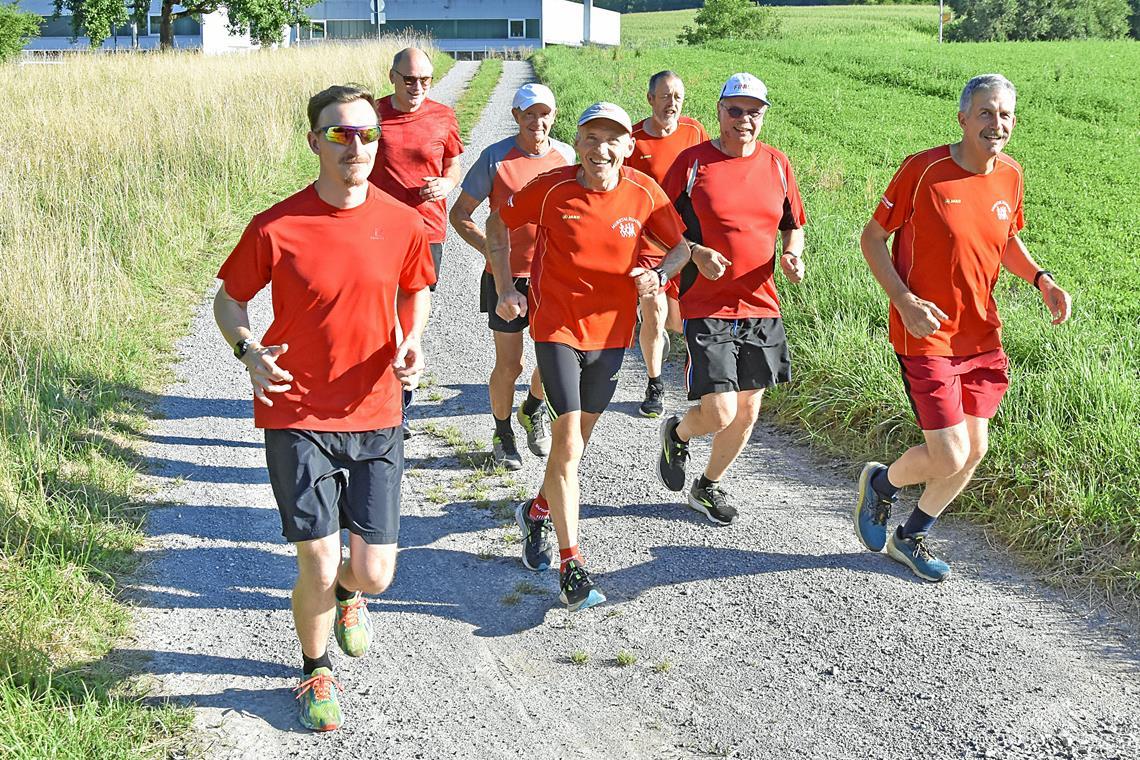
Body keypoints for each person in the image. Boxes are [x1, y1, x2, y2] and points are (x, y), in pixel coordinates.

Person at [213, 85, 435, 731]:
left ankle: (348, 596)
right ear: (315, 141)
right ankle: (314, 670)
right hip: (298, 411)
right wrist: (248, 351)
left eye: (366, 134)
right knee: (315, 554)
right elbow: (229, 302)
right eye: (340, 134)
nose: (355, 146)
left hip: (377, 410)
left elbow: (415, 291)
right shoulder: (276, 225)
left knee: (374, 573)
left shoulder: (403, 222)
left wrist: (413, 338)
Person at [853, 73, 1072, 582]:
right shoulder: (924, 170)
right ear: (963, 118)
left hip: (980, 335)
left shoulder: (1011, 175)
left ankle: (910, 536)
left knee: (975, 450)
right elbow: (871, 239)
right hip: (924, 332)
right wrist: (903, 301)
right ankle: (883, 484)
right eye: (986, 113)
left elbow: (1007, 240)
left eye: (1005, 115)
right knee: (948, 452)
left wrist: (1042, 279)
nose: (996, 124)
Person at [489, 103, 690, 611]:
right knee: (570, 446)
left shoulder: (645, 193)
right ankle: (571, 564)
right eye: (591, 137)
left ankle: (536, 512)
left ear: (628, 147)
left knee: (572, 449)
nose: (601, 149)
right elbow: (497, 222)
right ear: (576, 143)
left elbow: (681, 248)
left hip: (612, 334)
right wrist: (507, 284)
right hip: (555, 327)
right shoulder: (551, 188)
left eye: (612, 140)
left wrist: (659, 276)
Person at [656, 73, 807, 526]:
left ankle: (708, 484)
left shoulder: (778, 165)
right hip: (706, 302)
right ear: (720, 111)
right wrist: (697, 254)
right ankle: (678, 433)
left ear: (764, 115)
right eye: (735, 110)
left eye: (753, 112)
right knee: (720, 410)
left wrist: (793, 255)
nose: (744, 120)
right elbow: (662, 225)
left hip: (762, 302)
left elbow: (792, 224)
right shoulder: (692, 164)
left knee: (748, 408)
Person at [449, 83, 574, 470]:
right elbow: (460, 214)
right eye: (529, 113)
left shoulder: (567, 155)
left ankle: (532, 408)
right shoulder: (495, 158)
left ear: (554, 116)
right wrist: (491, 250)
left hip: (554, 275)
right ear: (517, 116)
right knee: (511, 364)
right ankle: (502, 434)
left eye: (545, 113)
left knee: (556, 359)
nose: (538, 121)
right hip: (508, 277)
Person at [368, 46, 463, 438]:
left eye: (426, 80)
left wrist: (447, 183)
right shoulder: (372, 115)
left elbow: (452, 163)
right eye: (410, 80)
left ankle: (400, 405)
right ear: (392, 77)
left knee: (409, 323)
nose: (418, 87)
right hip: (376, 229)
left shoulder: (443, 116)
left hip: (426, 229)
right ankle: (380, 400)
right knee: (379, 317)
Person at [626, 70, 709, 418]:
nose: (671, 103)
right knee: (655, 314)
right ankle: (654, 384)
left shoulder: (694, 131)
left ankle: (654, 342)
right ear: (650, 100)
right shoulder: (632, 140)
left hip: (686, 242)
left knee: (676, 322)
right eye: (664, 96)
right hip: (649, 243)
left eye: (677, 96)